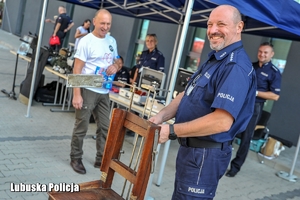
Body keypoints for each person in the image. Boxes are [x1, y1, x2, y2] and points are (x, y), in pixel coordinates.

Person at [148, 5, 256, 199]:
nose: (213, 30)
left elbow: (221, 122)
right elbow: (186, 93)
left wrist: (171, 131)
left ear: (239, 27)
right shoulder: (215, 59)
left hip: (205, 155)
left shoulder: (235, 66)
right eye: (209, 24)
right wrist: (161, 116)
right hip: (191, 151)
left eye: (221, 24)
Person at [70, 9, 120, 174]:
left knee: (106, 127)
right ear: (94, 22)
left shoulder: (112, 40)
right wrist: (77, 94)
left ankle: (101, 160)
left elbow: (118, 60)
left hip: (104, 91)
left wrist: (116, 66)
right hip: (87, 87)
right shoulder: (86, 41)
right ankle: (76, 158)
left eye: (108, 24)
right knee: (81, 126)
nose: (105, 27)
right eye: (102, 23)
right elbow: (77, 68)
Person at [226, 42, 282, 177]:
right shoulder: (251, 66)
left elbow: (275, 96)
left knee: (246, 138)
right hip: (240, 103)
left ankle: (235, 167)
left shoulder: (274, 72)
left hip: (255, 107)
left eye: (266, 52)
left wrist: (254, 92)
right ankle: (221, 160)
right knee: (229, 132)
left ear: (272, 54)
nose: (262, 54)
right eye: (260, 51)